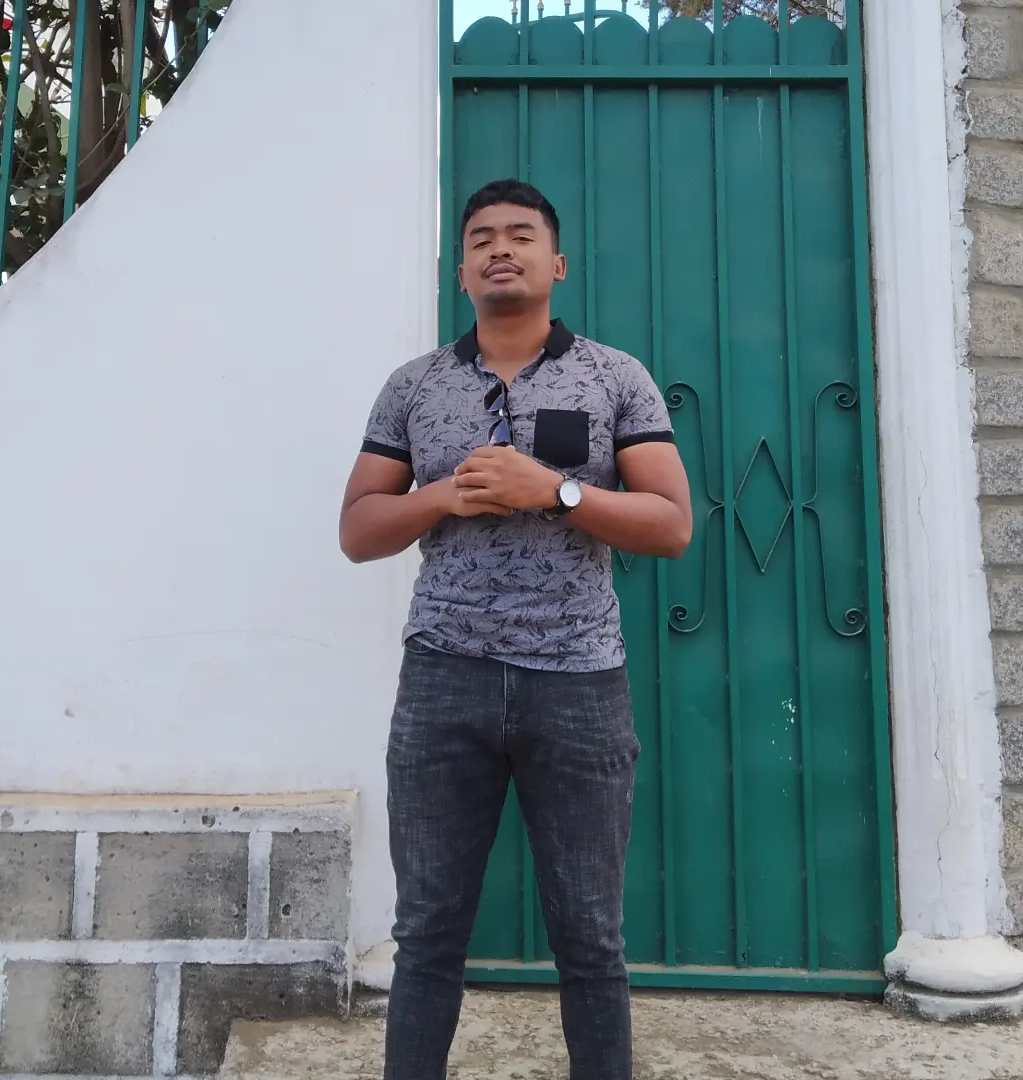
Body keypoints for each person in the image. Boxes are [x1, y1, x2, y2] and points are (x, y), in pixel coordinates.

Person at [339, 178, 693, 1080]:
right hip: (443, 679)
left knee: (590, 937)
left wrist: (556, 491)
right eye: (483, 239)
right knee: (427, 934)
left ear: (556, 263)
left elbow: (671, 524)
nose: (501, 249)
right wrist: (441, 496)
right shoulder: (414, 386)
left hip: (579, 682)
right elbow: (358, 531)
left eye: (522, 236)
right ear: (461, 271)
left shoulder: (615, 377)